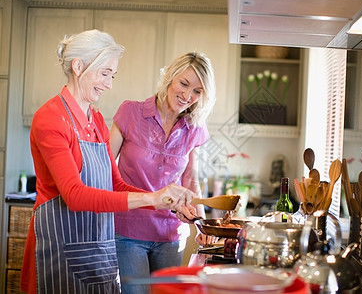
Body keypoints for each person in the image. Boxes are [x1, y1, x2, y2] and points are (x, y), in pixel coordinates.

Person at [20, 29, 197, 294]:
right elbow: (75, 196)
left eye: (112, 75)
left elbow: (115, 184)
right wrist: (152, 199)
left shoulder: (96, 120)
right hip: (59, 249)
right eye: (104, 73)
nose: (109, 84)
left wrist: (165, 200)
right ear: (78, 66)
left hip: (95, 249)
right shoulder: (51, 118)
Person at [109, 51, 217, 293]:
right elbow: (106, 170)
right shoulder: (130, 113)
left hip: (170, 234)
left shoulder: (194, 128)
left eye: (197, 91)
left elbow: (191, 179)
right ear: (169, 76)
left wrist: (201, 225)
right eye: (184, 83)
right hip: (127, 231)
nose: (188, 95)